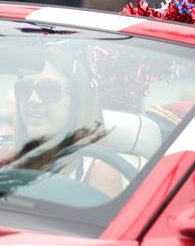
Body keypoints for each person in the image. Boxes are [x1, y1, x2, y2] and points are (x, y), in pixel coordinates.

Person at [12, 46, 122, 197]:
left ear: (77, 102)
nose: (33, 99)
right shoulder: (6, 157)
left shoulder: (98, 174)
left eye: (49, 89)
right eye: (24, 88)